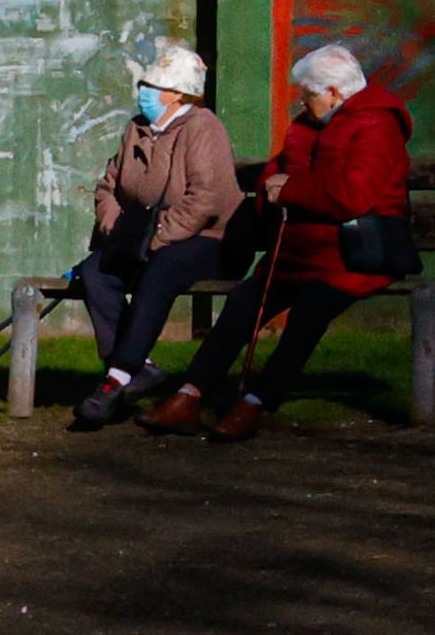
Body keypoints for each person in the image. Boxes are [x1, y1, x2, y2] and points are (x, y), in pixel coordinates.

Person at [145, 39, 412, 442]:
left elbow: (352, 196)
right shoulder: (308, 124)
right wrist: (274, 184)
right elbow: (279, 168)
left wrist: (289, 191)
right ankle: (189, 394)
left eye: (308, 96)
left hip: (353, 257)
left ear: (334, 93)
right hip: (297, 252)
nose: (303, 104)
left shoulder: (377, 124)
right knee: (243, 304)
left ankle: (255, 403)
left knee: (309, 313)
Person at [64, 41, 240, 429]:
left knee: (160, 268)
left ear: (177, 93)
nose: (142, 91)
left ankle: (116, 378)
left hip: (209, 240)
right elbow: (109, 186)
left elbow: (206, 198)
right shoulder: (136, 130)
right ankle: (138, 367)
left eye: (151, 84)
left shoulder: (203, 127)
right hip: (144, 238)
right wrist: (114, 230)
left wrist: (156, 238)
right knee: (95, 270)